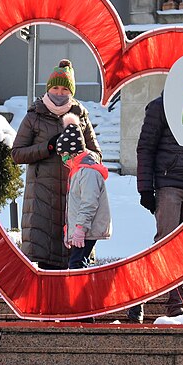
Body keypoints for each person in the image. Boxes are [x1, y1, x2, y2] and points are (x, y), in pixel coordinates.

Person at [128, 92, 183, 323]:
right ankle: (138, 296)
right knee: (165, 246)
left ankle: (176, 306)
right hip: (170, 184)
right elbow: (145, 148)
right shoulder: (160, 106)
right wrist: (145, 189)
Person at [12, 59, 102, 270]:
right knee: (47, 266)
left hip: (76, 198)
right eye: (55, 88)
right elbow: (17, 153)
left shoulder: (80, 115)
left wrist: (80, 151)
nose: (59, 93)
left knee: (76, 264)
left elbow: (97, 154)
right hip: (43, 200)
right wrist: (49, 147)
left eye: (64, 89)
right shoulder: (35, 115)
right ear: (48, 88)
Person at [56, 113, 112, 269]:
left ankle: (81, 294)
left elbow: (89, 203)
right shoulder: (78, 171)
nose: (63, 160)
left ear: (73, 153)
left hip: (86, 229)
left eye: (64, 155)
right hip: (82, 229)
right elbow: (75, 205)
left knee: (77, 264)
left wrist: (79, 229)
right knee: (78, 263)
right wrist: (71, 230)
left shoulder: (87, 172)